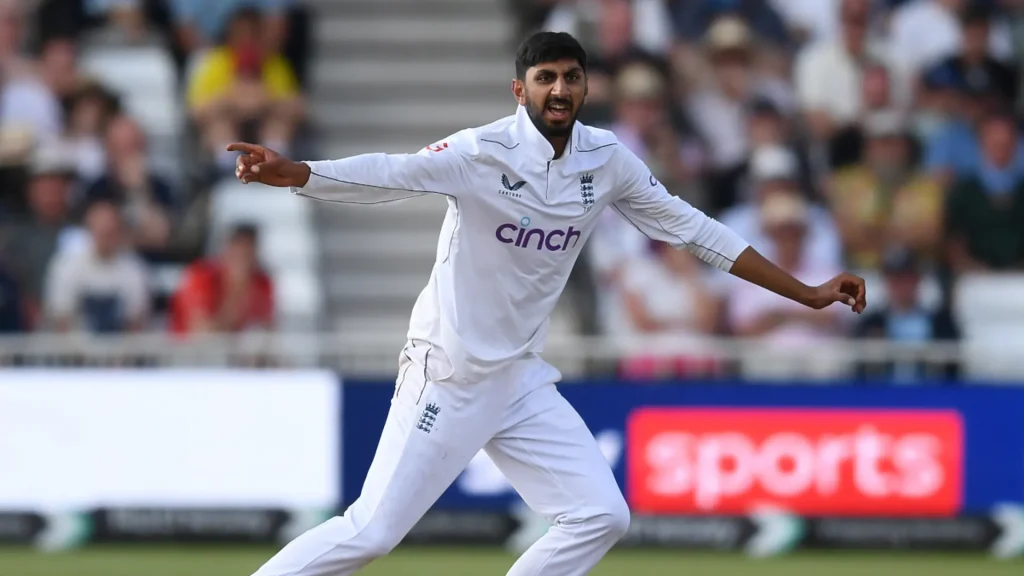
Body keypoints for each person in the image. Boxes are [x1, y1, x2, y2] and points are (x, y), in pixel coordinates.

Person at [228, 32, 866, 576]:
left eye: (570, 78)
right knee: (371, 533)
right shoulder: (481, 152)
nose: (558, 90)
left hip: (520, 379)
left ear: (586, 87)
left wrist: (806, 292)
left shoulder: (608, 159)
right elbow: (393, 173)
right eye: (544, 79)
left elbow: (691, 228)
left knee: (600, 515)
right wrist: (299, 173)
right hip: (448, 373)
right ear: (519, 90)